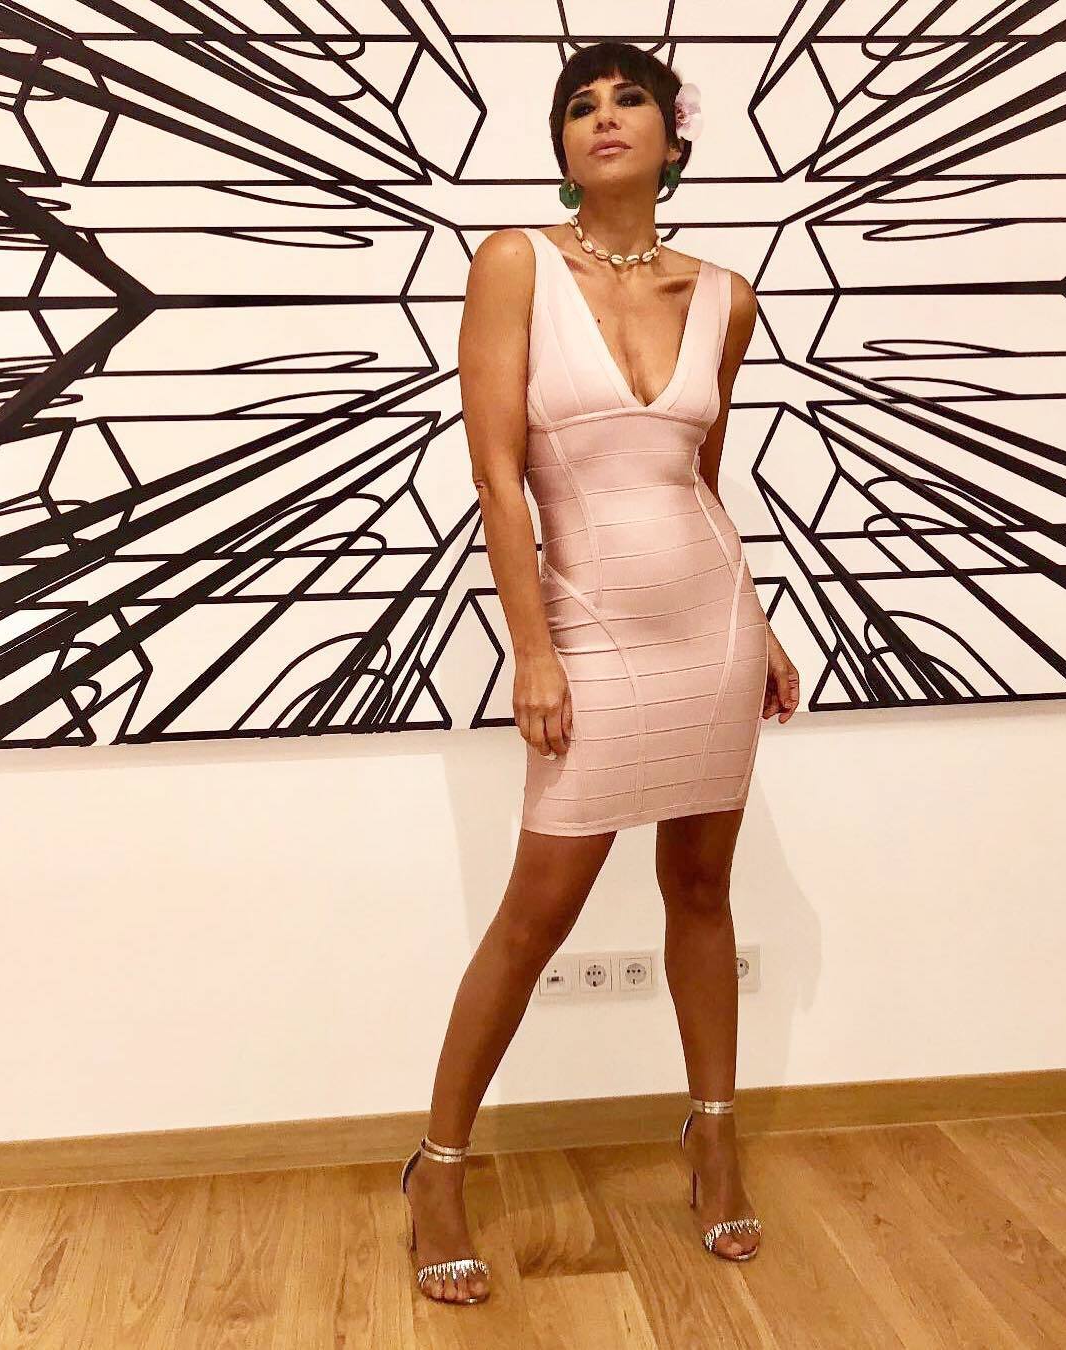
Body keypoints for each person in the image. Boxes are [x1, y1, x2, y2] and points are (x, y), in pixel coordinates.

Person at [401, 40, 799, 1306]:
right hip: (585, 625)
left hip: (711, 625)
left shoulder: (726, 294)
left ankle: (714, 1137)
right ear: (564, 149)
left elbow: (702, 479)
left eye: (631, 98)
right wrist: (533, 647)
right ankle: (438, 1169)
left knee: (702, 887)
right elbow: (496, 472)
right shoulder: (514, 263)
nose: (605, 117)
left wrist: (762, 628)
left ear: (673, 140)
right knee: (538, 913)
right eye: (581, 105)